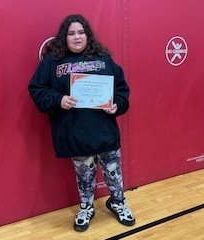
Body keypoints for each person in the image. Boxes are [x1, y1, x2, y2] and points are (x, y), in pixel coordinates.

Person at [28, 14, 135, 232]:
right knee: (84, 175)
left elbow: (122, 91)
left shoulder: (103, 59)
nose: (77, 37)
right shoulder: (53, 61)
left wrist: (117, 105)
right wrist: (58, 99)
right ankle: (86, 206)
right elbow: (37, 89)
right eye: (71, 33)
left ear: (88, 35)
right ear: (64, 37)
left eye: (81, 32)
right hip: (75, 132)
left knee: (113, 172)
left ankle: (118, 201)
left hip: (104, 130)